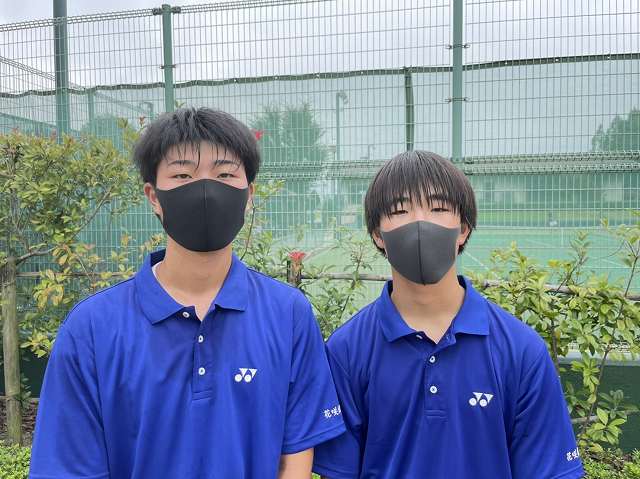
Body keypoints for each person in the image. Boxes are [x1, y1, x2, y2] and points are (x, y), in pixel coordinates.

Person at [30, 107, 345, 479]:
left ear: (249, 195)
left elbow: (294, 457)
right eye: (182, 175)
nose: (206, 190)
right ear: (153, 196)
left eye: (225, 174)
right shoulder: (92, 328)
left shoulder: (288, 313)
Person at [313, 151, 583, 478]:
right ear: (377, 234)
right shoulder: (345, 351)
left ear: (463, 229)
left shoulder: (522, 350)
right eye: (400, 210)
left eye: (438, 208)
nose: (420, 224)